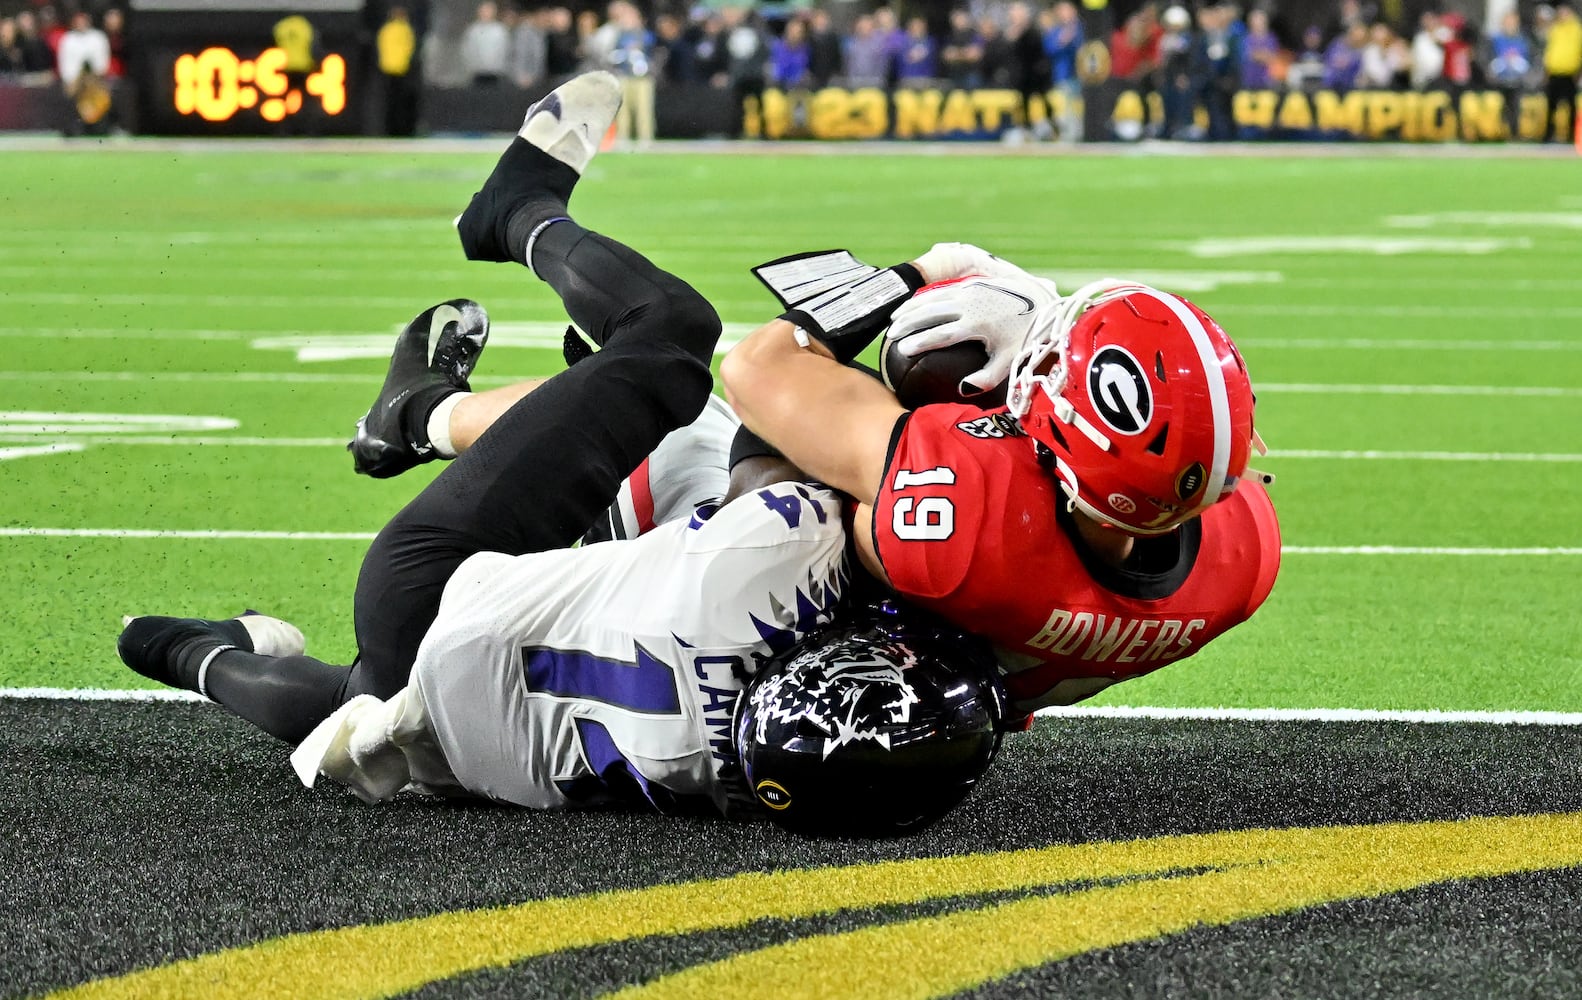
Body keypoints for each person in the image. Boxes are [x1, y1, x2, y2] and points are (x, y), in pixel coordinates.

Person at [117, 73, 1004, 834]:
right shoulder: (734, 788)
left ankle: (513, 220)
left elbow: (773, 391)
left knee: (667, 347)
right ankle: (181, 652)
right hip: (457, 722)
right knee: (368, 703)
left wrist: (918, 289)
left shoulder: (774, 556)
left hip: (444, 577)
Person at [720, 242, 1281, 716]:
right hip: (978, 686)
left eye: (1058, 365)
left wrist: (923, 272)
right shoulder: (1245, 559)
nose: (1048, 361)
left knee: (782, 486)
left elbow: (756, 368)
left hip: (778, 662)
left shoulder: (972, 512)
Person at [377, 6, 420, 137]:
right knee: (402, 104)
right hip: (402, 70)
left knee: (389, 103)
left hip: (388, 70)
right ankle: (403, 129)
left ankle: (389, 129)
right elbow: (410, 48)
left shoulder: (385, 30)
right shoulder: (405, 30)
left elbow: (382, 49)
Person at [1543, 3, 1582, 141]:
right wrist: (1547, 69)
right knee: (1551, 106)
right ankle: (1548, 135)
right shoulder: (1555, 28)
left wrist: (1578, 70)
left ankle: (1572, 136)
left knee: (1571, 106)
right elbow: (1550, 51)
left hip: (1570, 73)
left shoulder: (1577, 29)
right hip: (1554, 72)